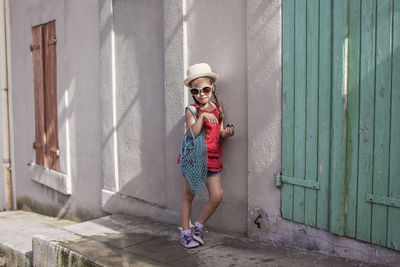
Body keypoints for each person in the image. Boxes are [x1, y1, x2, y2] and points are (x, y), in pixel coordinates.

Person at [178, 63, 234, 248]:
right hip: (195, 161)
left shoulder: (217, 108)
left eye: (206, 89)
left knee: (217, 195)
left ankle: (198, 226)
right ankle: (185, 232)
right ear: (192, 93)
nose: (201, 94)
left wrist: (226, 132)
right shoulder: (192, 110)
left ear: (212, 88)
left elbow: (217, 133)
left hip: (212, 160)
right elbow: (192, 133)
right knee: (189, 196)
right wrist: (201, 118)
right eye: (196, 91)